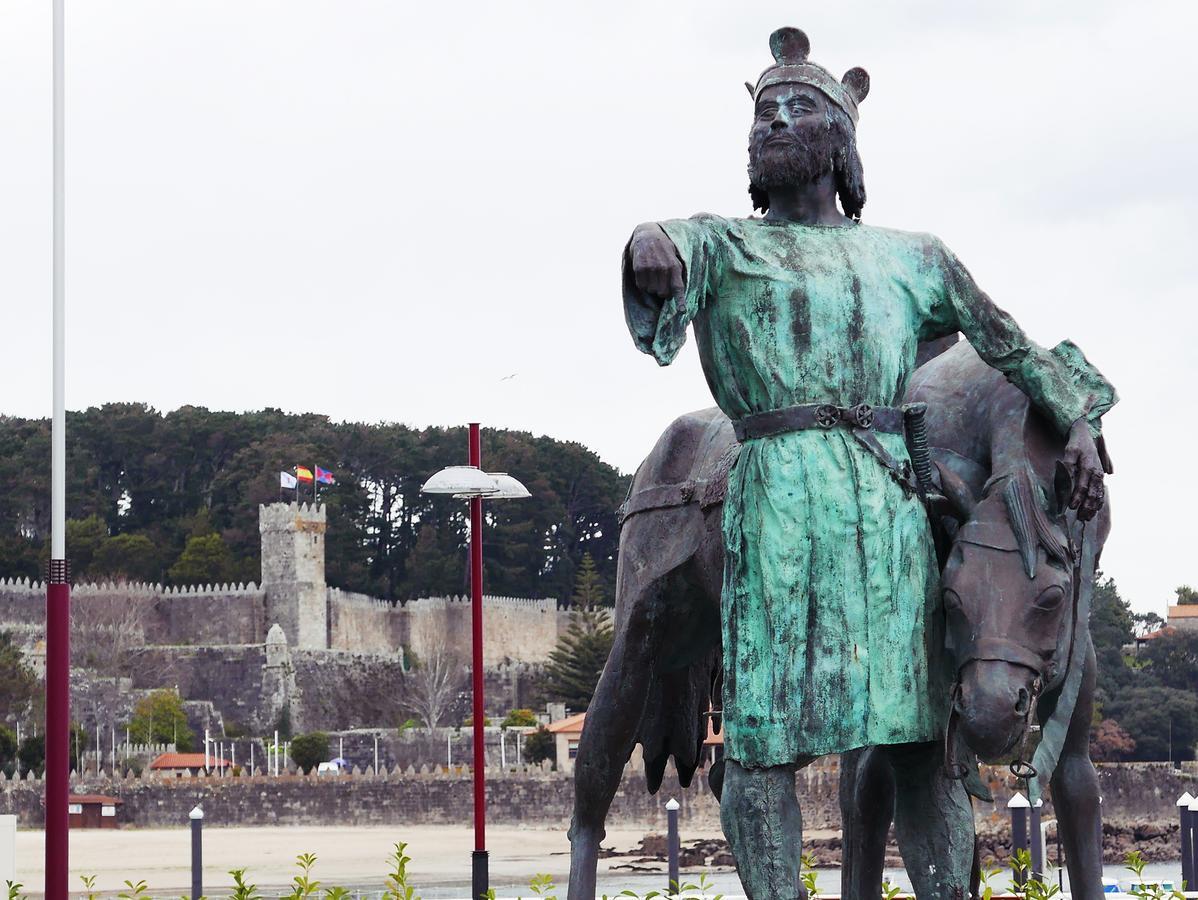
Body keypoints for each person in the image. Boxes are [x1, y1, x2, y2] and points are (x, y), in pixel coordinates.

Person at [622, 27, 1116, 898]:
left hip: (885, 509)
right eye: (764, 111)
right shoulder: (724, 245)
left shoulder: (910, 256)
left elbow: (1013, 347)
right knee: (764, 746)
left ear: (841, 140)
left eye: (799, 106)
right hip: (774, 500)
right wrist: (644, 241)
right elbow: (665, 243)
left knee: (919, 742)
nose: (775, 120)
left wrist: (1075, 421)